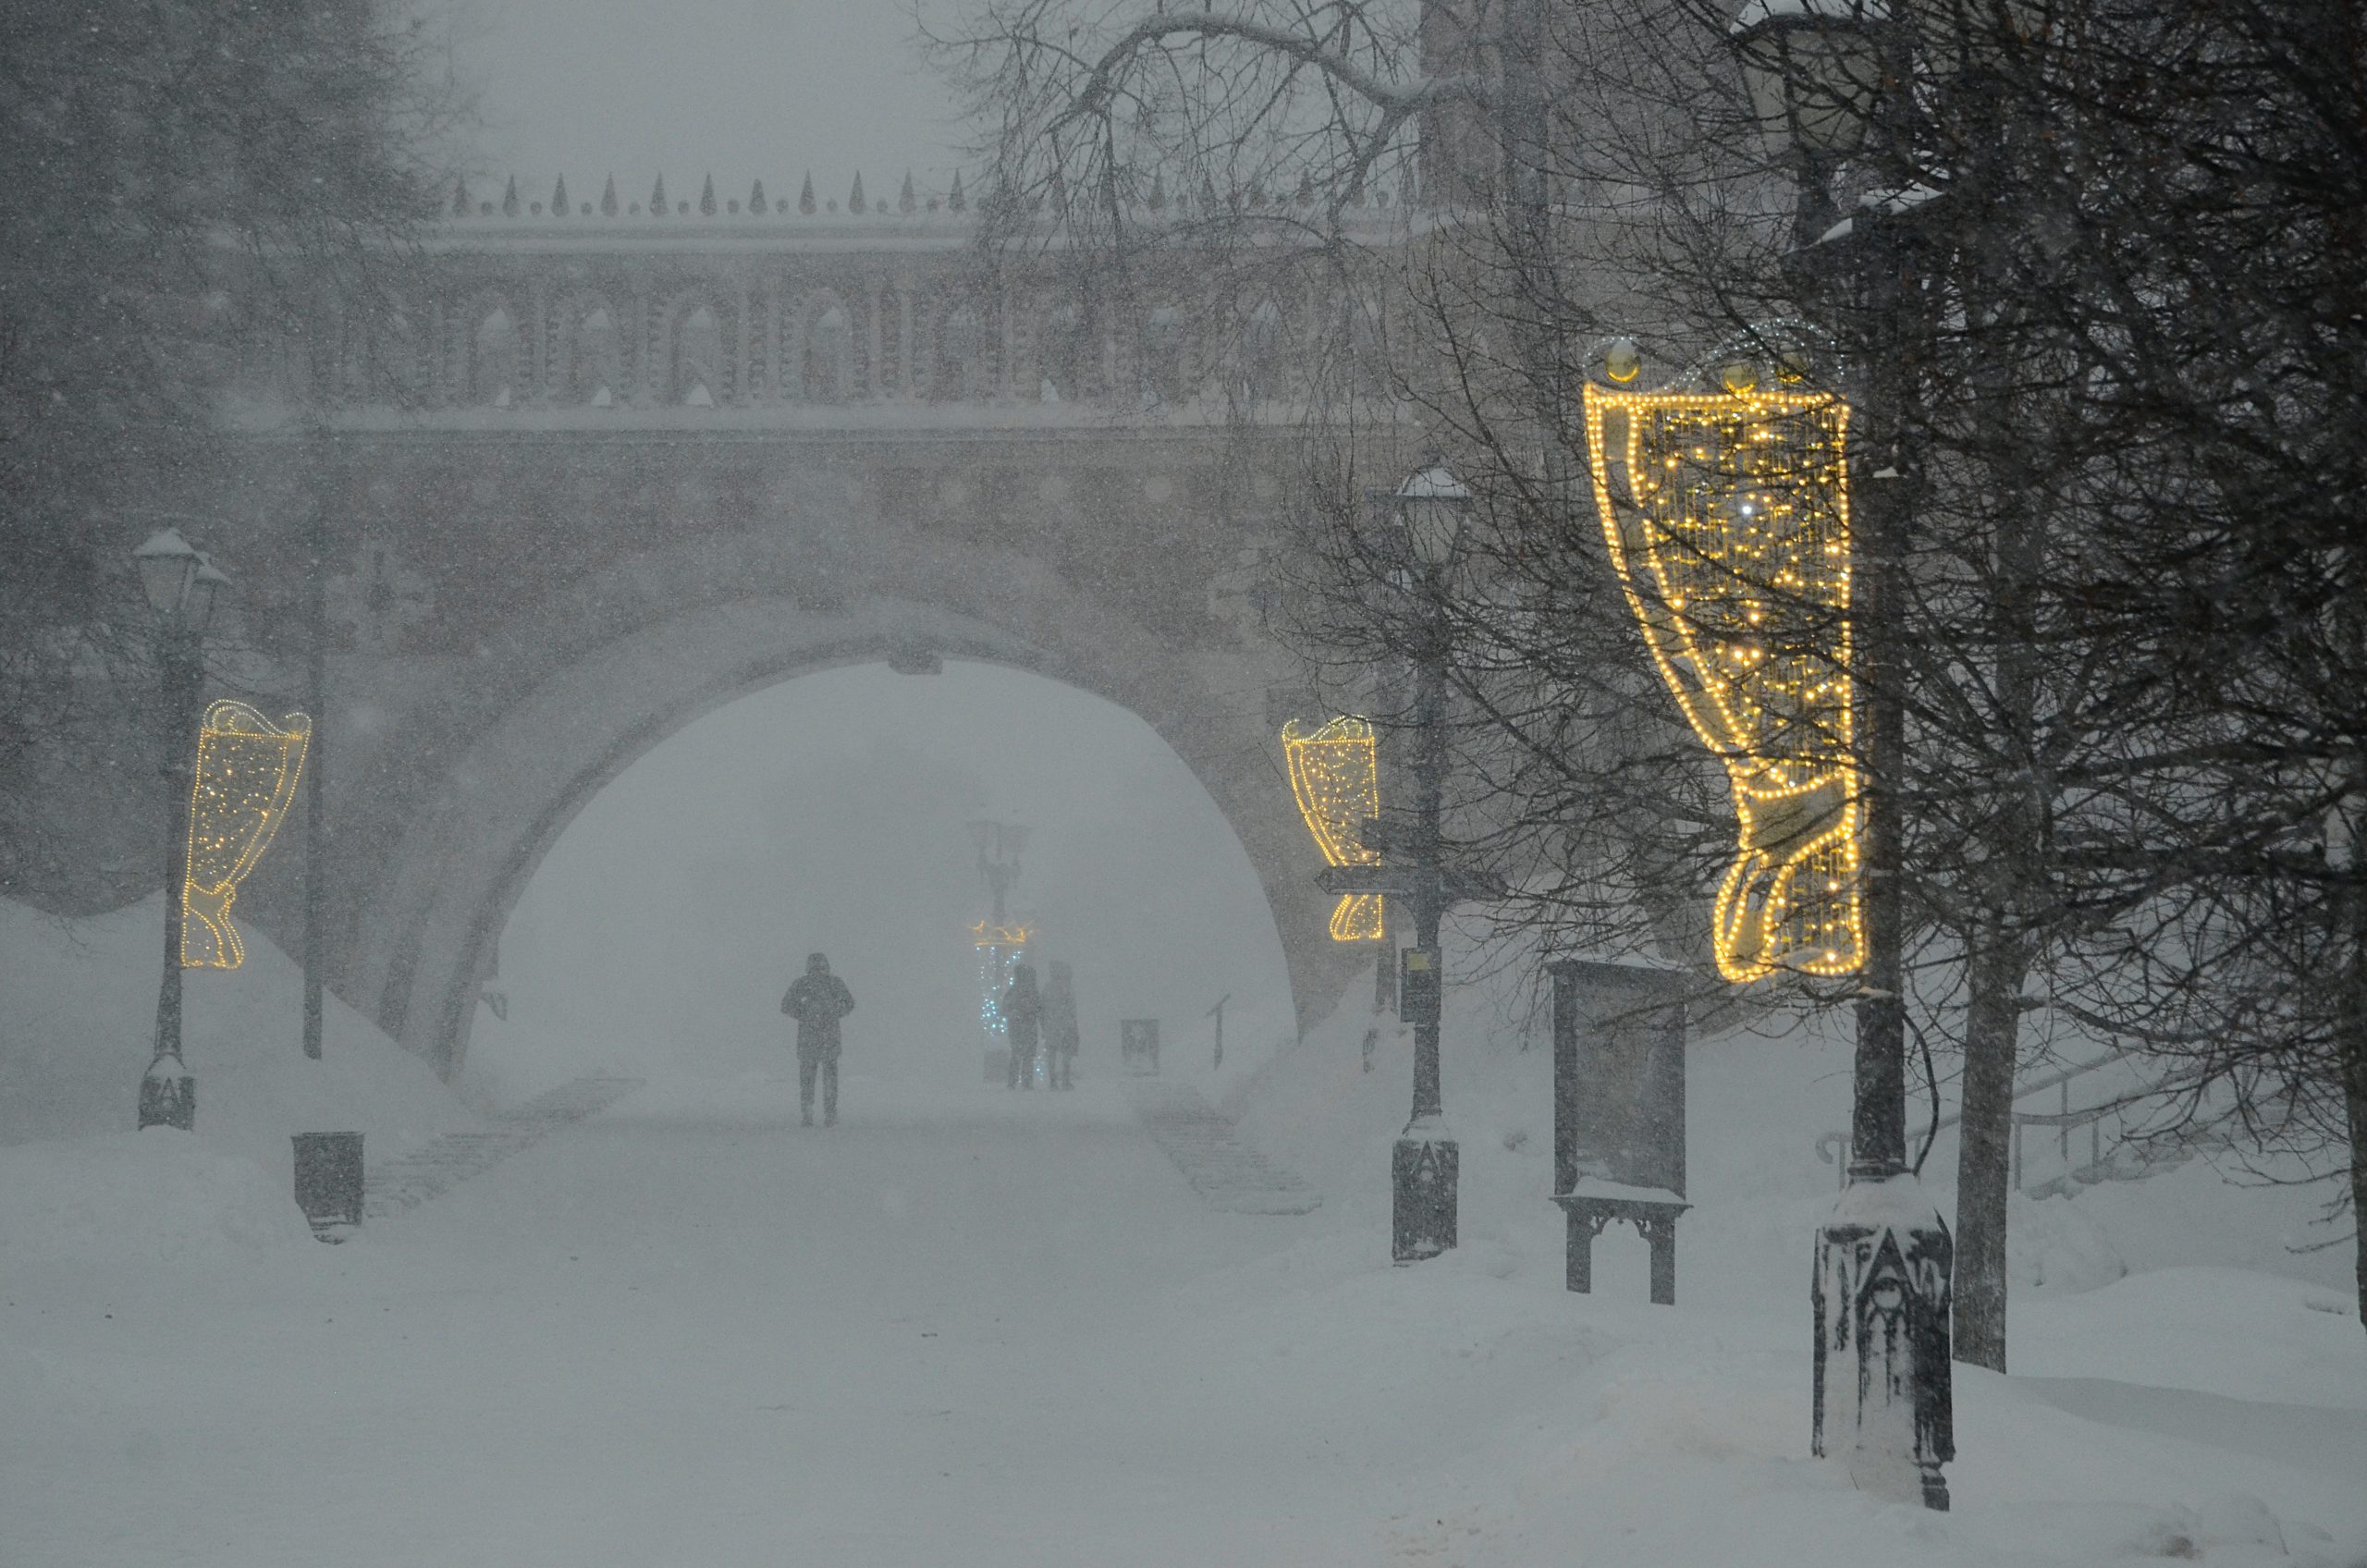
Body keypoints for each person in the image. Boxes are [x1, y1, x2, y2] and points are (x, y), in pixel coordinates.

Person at [781, 951, 855, 1127]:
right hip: (825, 1037)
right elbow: (849, 1003)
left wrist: (805, 1015)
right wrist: (833, 1013)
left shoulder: (804, 984)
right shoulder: (831, 983)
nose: (818, 971)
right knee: (825, 1078)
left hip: (813, 1038)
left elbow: (786, 1006)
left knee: (810, 1079)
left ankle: (811, 1113)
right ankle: (824, 1114)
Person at [1001, 961, 1043, 1090]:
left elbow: (1004, 1010)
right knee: (1026, 1055)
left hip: (1019, 1027)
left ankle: (1015, 1081)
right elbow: (1039, 1009)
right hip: (1026, 1026)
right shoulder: (1031, 992)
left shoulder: (1013, 992)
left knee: (1019, 1054)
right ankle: (1025, 1081)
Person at [1043, 961, 1081, 1090]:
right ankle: (1065, 1081)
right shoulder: (1066, 988)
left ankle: (1053, 1081)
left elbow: (1042, 1008)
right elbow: (1071, 1009)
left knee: (1052, 1053)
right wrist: (1072, 1024)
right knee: (1066, 1054)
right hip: (1065, 1025)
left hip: (1050, 1025)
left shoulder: (1047, 988)